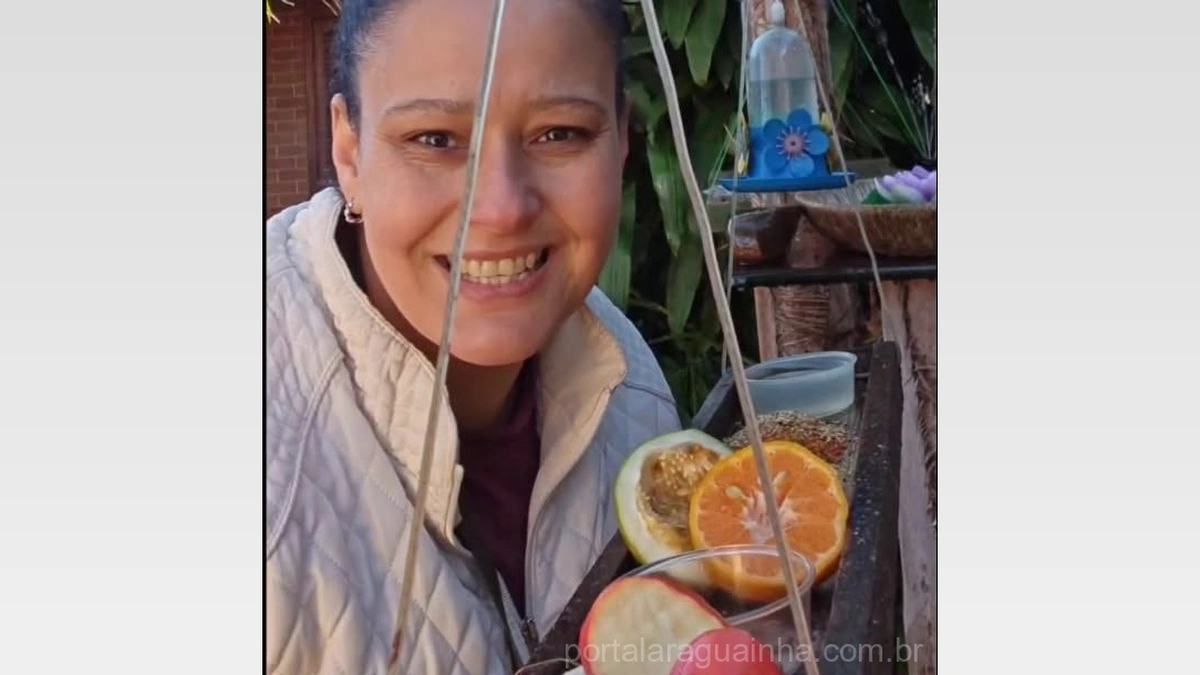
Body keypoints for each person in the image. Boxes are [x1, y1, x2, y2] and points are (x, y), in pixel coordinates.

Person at [264, 0, 682, 673]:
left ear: (623, 139)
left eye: (560, 134)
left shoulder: (625, 376)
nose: (501, 208)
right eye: (434, 139)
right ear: (350, 153)